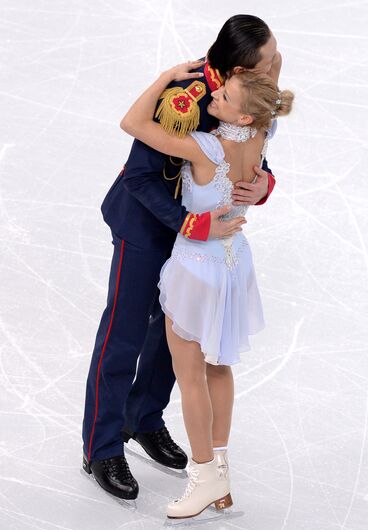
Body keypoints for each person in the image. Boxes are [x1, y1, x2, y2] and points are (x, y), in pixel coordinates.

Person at [82, 15, 281, 501]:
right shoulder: (186, 98)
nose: (277, 67)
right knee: (126, 331)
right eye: (269, 60)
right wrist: (191, 224)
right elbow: (140, 176)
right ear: (238, 68)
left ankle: (145, 418)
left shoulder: (244, 94)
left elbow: (250, 152)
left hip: (199, 243)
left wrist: (262, 185)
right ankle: (102, 445)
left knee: (175, 337)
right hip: (147, 228)